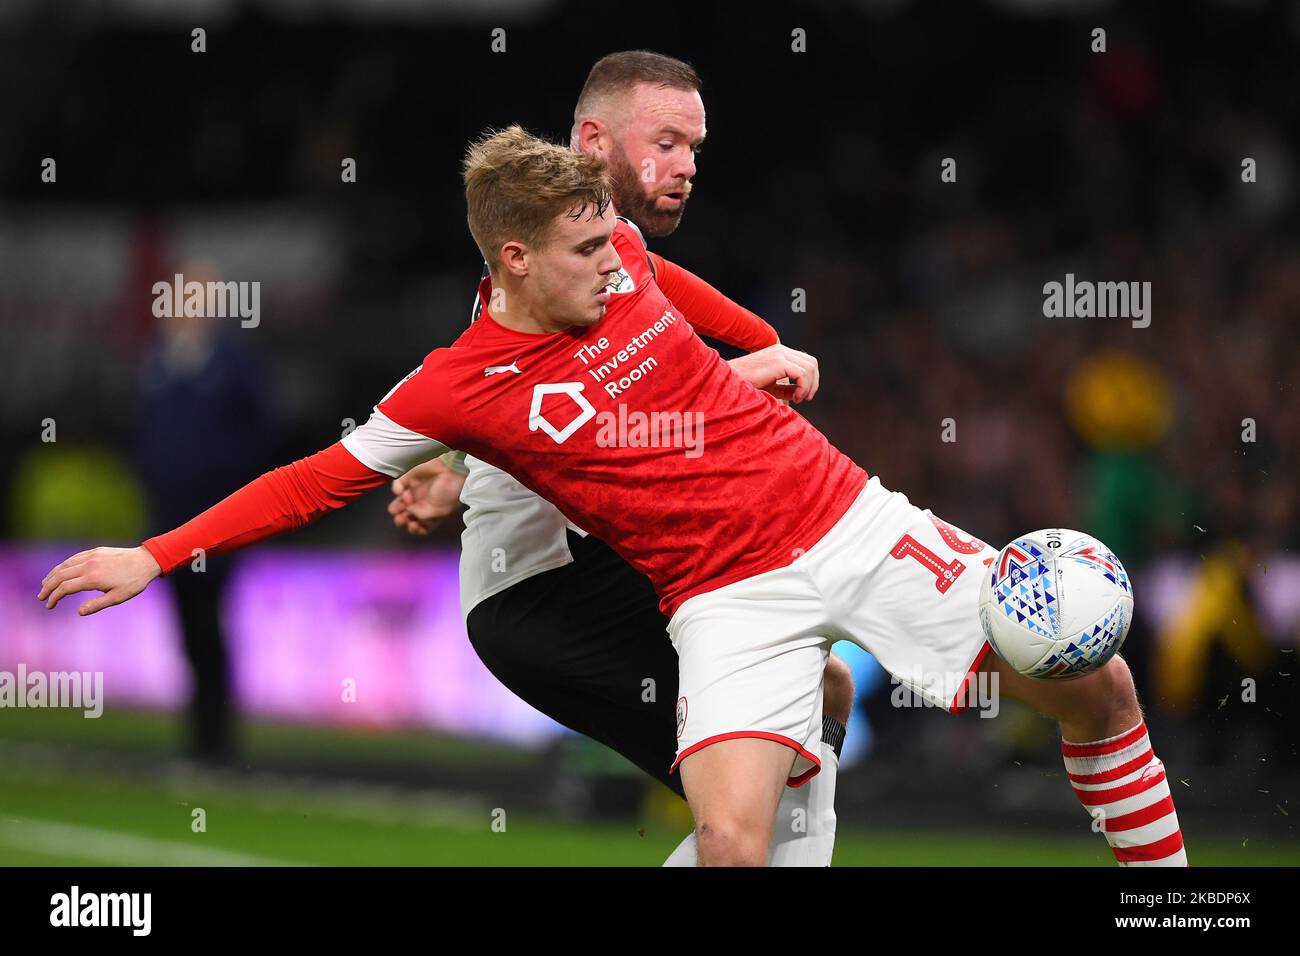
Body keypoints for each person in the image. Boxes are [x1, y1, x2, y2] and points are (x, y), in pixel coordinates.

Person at [40, 127, 1186, 868]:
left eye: (611, 237)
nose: (615, 261)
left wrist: (758, 345)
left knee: (1093, 675)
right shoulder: (458, 386)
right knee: (737, 844)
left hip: (846, 520)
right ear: (513, 262)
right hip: (719, 600)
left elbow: (675, 283)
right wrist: (156, 551)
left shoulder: (621, 258)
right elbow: (312, 480)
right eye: (586, 248)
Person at [387, 51, 849, 866]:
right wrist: (749, 366)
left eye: (696, 149)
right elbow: (604, 422)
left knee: (808, 723)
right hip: (549, 597)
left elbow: (553, 414)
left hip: (582, 572)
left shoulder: (610, 254)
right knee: (767, 795)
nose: (687, 168)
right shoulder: (558, 273)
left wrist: (459, 477)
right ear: (595, 141)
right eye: (667, 143)